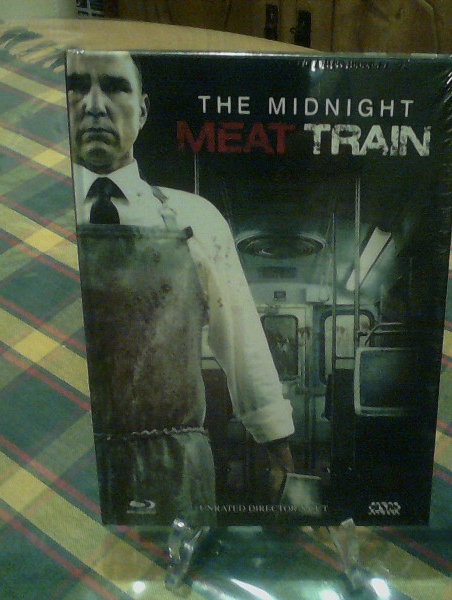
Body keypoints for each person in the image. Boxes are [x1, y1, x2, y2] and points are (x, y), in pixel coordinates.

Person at [66, 50, 294, 524]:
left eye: (114, 86)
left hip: (175, 465)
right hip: (66, 460)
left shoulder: (196, 218)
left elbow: (241, 338)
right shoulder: (31, 222)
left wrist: (276, 444)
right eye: (77, 87)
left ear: (143, 109)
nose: (94, 105)